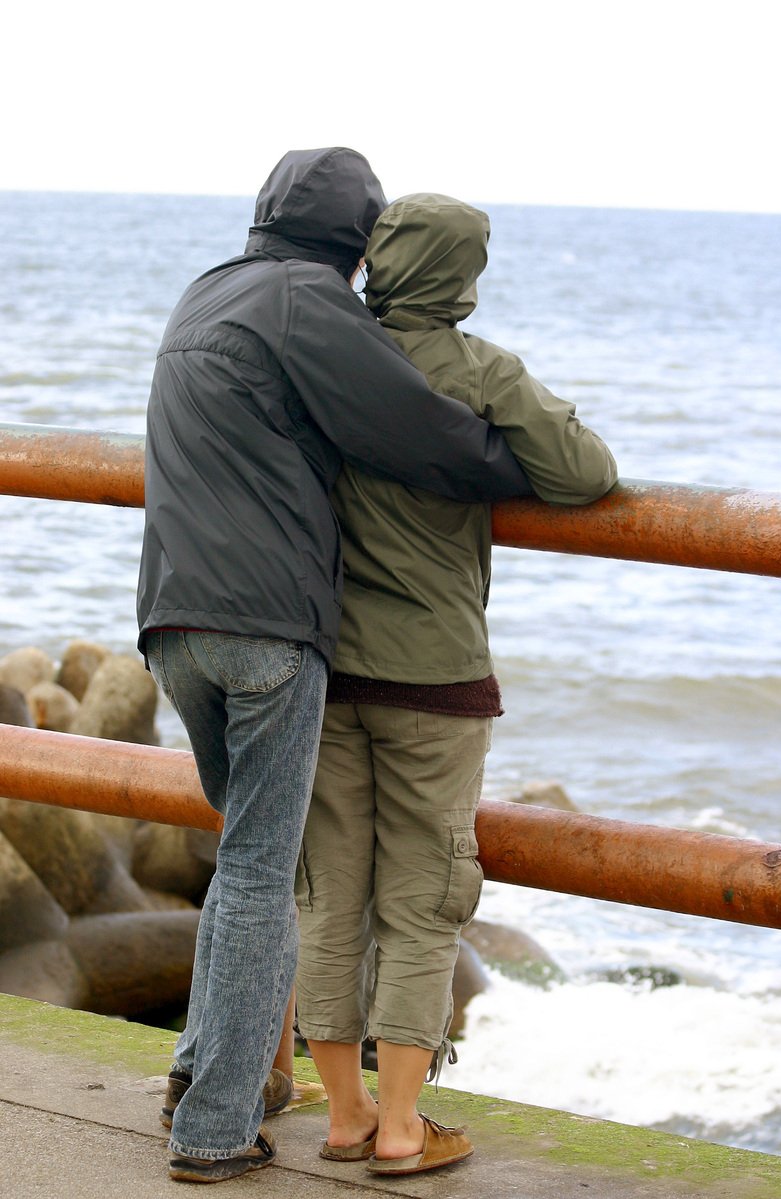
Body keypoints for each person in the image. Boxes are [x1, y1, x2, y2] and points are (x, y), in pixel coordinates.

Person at [136, 151, 535, 1184]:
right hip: (267, 628)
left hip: (172, 620)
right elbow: (415, 428)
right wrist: (502, 469)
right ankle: (215, 1125)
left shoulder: (210, 287)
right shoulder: (310, 301)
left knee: (244, 864)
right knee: (265, 873)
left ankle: (202, 1073)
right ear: (356, 245)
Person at [294, 192, 618, 1176]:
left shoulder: (327, 363)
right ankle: (400, 1128)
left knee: (330, 893)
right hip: (433, 677)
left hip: (324, 664)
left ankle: (343, 1113)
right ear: (465, 276)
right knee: (425, 900)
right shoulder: (477, 370)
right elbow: (585, 472)